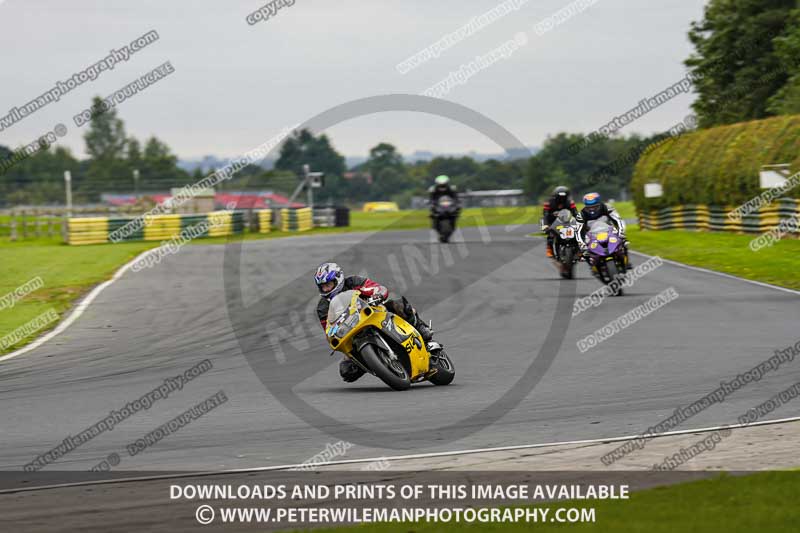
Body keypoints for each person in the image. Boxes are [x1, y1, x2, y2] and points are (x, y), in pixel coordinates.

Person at [314, 262, 433, 383]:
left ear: (338, 279)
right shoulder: (323, 307)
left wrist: (378, 294)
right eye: (323, 286)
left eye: (328, 284)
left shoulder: (353, 282)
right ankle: (375, 361)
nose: (326, 289)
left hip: (374, 314)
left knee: (397, 305)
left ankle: (420, 327)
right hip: (351, 332)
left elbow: (375, 287)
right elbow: (329, 328)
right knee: (347, 371)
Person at [577, 192, 629, 262]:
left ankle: (625, 259)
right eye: (589, 208)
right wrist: (581, 244)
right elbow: (578, 230)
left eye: (595, 207)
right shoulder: (581, 214)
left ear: (599, 204)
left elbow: (618, 220)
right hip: (592, 234)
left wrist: (621, 233)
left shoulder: (607, 207)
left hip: (608, 230)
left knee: (623, 242)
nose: (592, 210)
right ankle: (593, 265)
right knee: (585, 253)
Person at [542, 186, 579, 258]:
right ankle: (549, 249)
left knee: (576, 232)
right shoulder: (549, 203)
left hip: (566, 220)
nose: (561, 199)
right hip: (552, 221)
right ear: (555, 196)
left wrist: (580, 222)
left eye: (564, 197)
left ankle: (578, 249)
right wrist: (546, 225)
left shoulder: (569, 202)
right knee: (551, 234)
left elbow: (575, 213)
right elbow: (545, 215)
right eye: (559, 197)